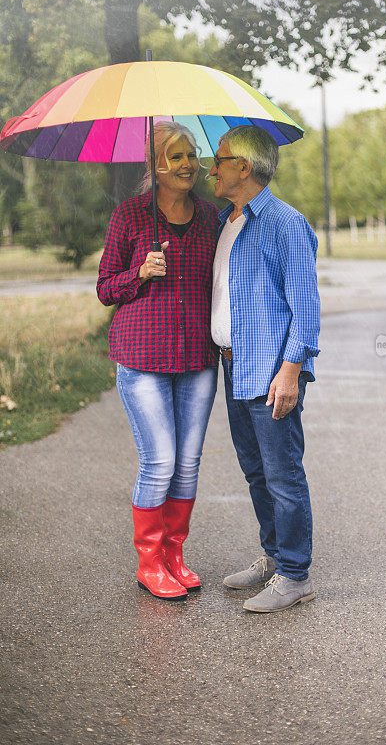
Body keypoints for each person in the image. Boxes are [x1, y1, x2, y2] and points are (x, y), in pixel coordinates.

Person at [97, 122, 219, 601]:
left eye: (190, 154)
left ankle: (174, 555)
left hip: (196, 358)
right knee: (160, 461)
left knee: (187, 464)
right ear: (154, 166)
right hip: (142, 357)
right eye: (174, 156)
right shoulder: (129, 216)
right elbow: (106, 289)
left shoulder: (211, 217)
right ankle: (150, 562)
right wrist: (139, 271)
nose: (187, 164)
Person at [209, 126, 320, 613]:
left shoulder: (284, 223)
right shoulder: (225, 221)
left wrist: (291, 370)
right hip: (233, 368)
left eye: (220, 158)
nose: (212, 167)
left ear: (244, 168)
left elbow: (306, 308)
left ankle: (295, 575)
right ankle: (274, 557)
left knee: (283, 476)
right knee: (256, 472)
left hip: (272, 372)